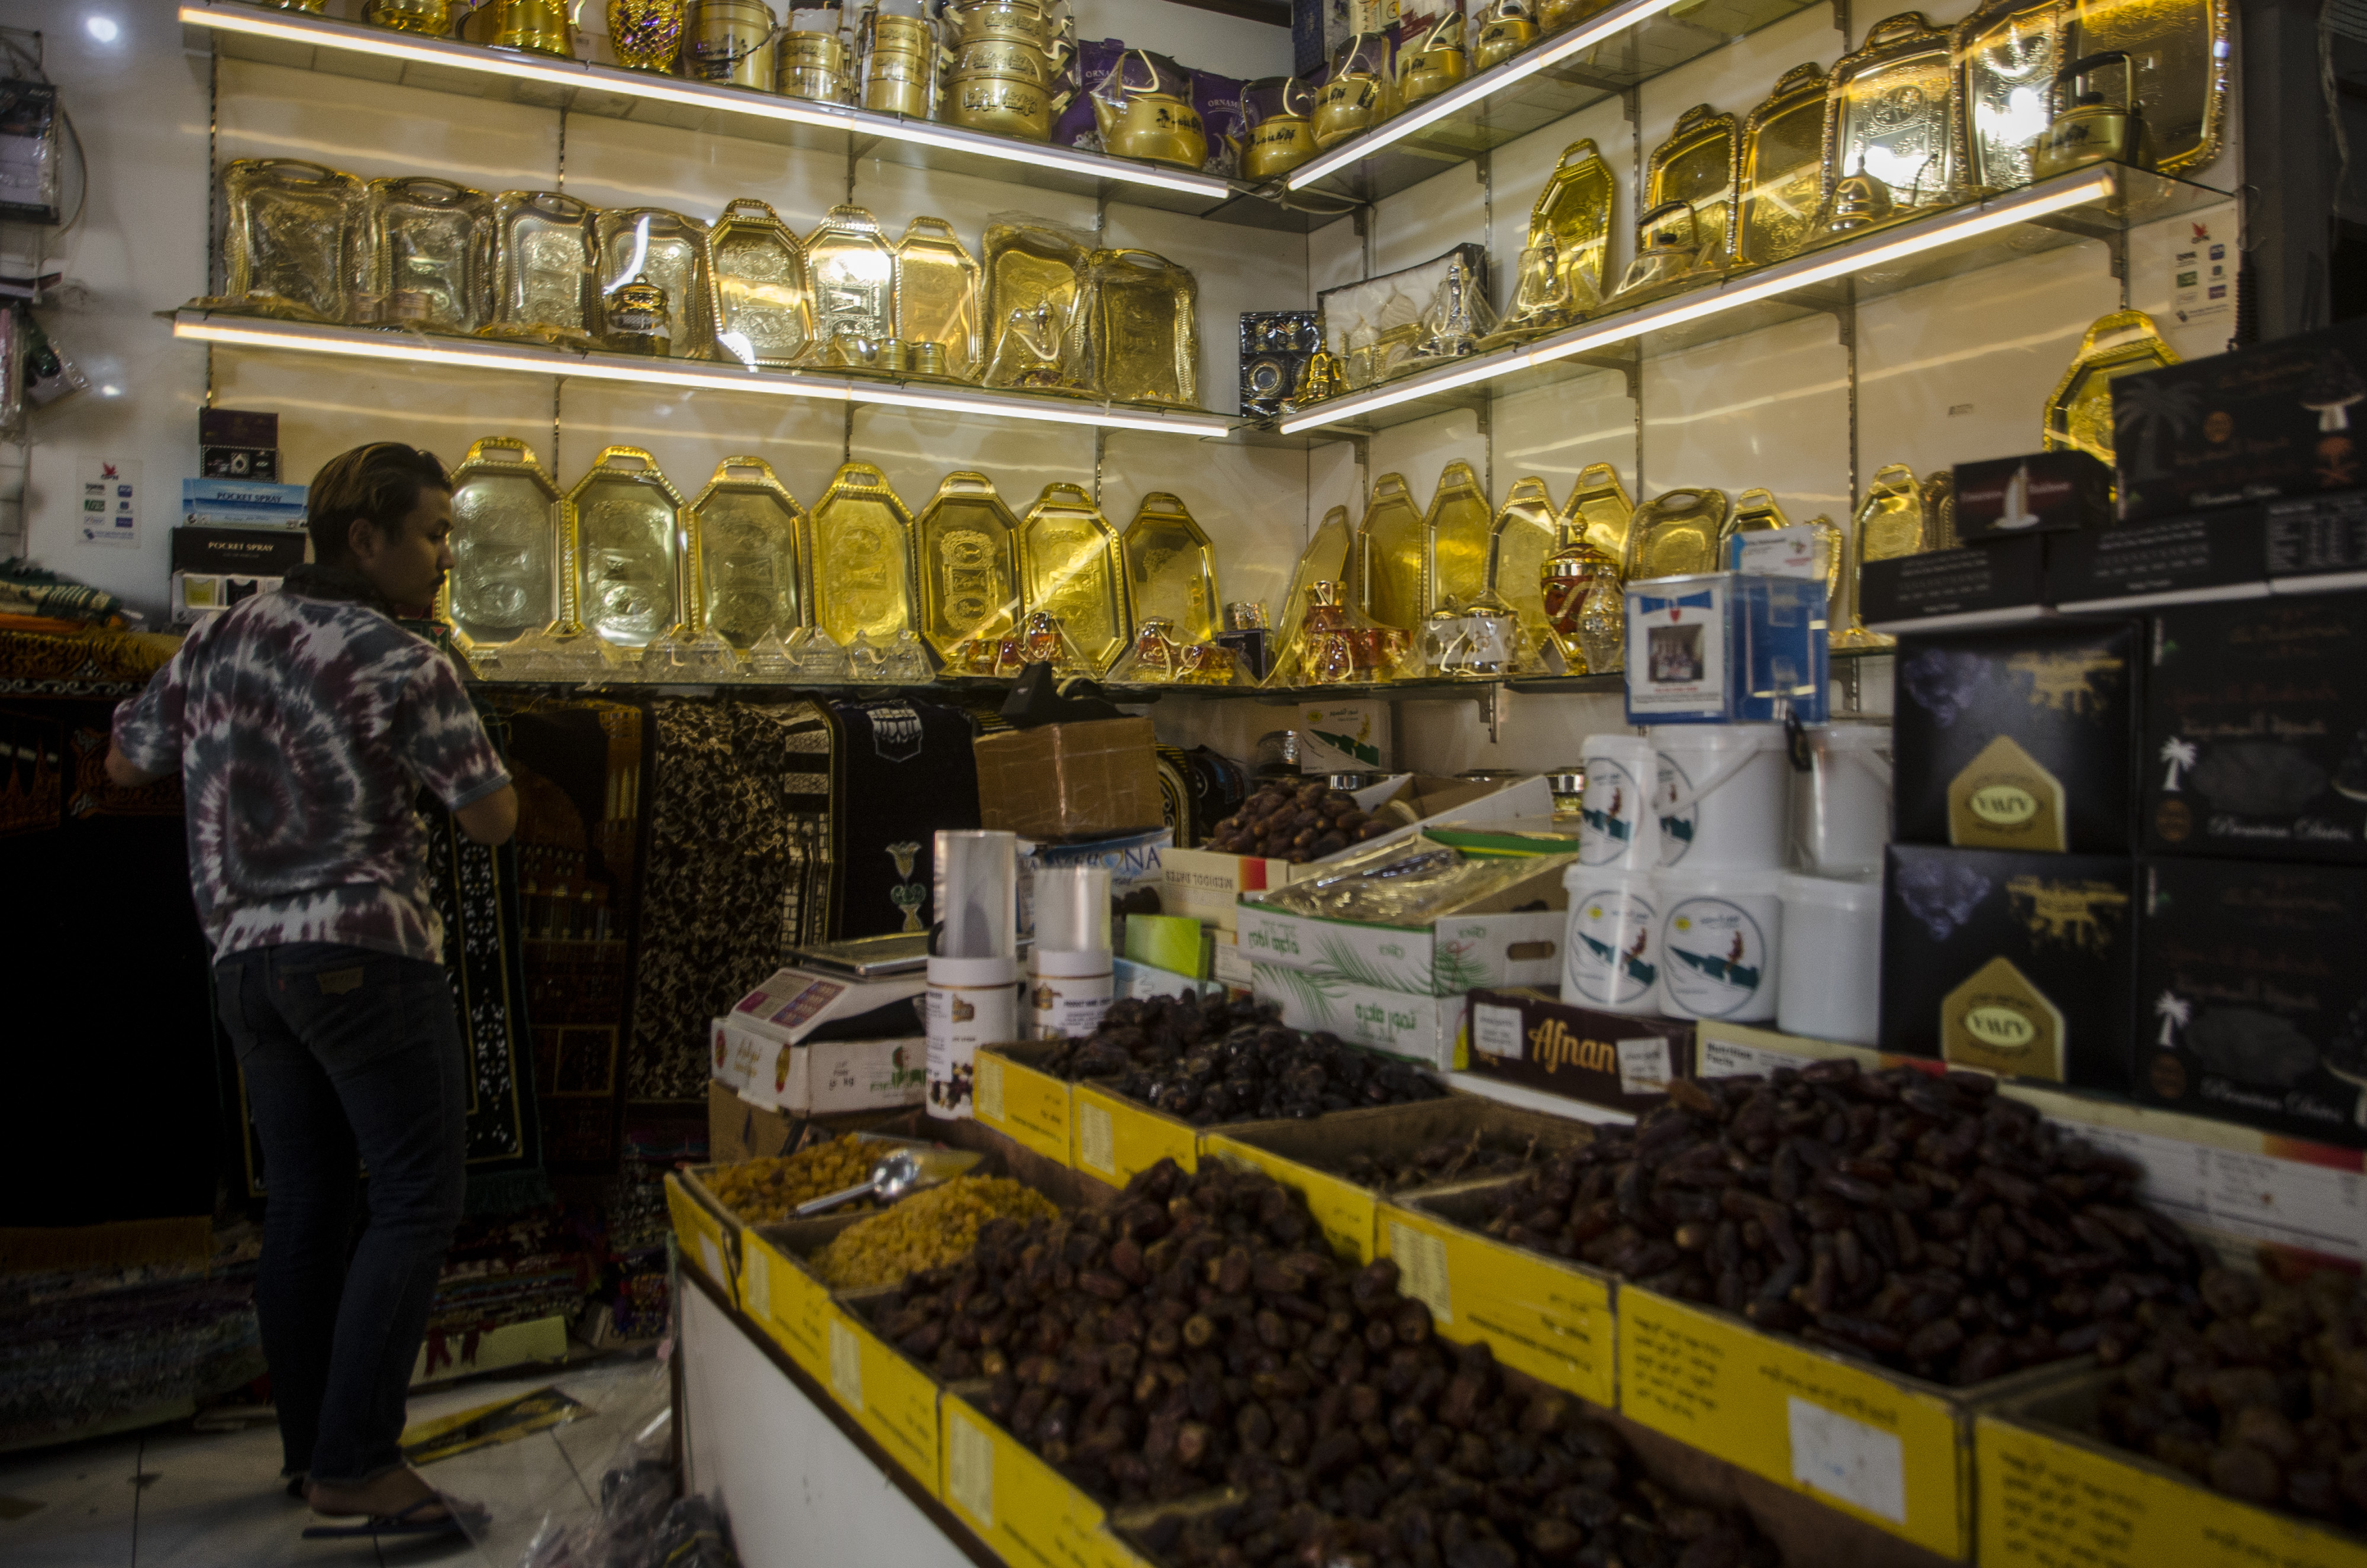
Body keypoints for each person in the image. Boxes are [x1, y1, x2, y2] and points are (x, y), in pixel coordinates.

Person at [108, 442, 517, 1541]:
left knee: (307, 1206)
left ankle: (314, 1451)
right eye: (433, 532)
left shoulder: (214, 638)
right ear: (366, 537)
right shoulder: (399, 655)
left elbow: (123, 760)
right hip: (364, 954)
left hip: (244, 965)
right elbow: (491, 815)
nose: (444, 555)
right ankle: (358, 1462)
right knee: (419, 1198)